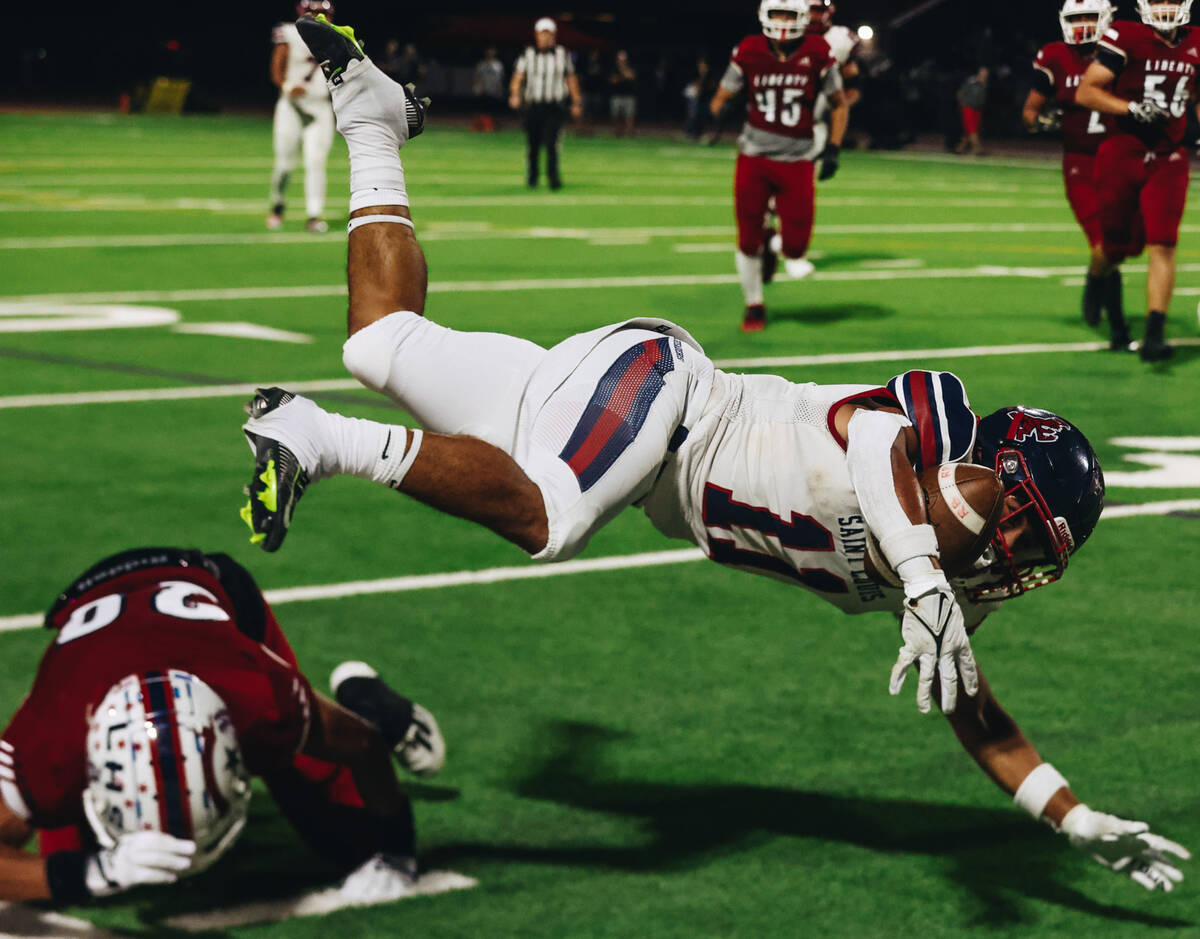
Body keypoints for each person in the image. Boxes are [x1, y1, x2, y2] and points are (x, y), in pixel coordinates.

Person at [238, 14, 1191, 894]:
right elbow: (869, 440)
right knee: (552, 517)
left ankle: (369, 122)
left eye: (1042, 553)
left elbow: (974, 712)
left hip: (616, 426)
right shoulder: (943, 434)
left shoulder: (962, 576)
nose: (1022, 560)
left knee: (378, 341)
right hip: (664, 396)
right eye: (1028, 529)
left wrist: (1072, 817)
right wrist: (922, 576)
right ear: (1003, 473)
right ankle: (320, 437)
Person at [0, 547, 446, 904]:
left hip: (209, 584)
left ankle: (374, 704)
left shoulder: (259, 699)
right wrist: (96, 873)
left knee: (339, 831)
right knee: (59, 870)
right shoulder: (48, 741)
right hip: (90, 604)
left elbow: (361, 744)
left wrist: (394, 851)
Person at [708, 0, 849, 332]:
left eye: (790, 14)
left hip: (797, 159)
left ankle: (775, 245)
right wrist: (717, 110)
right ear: (764, 15)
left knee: (797, 247)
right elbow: (720, 96)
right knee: (747, 237)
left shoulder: (817, 50)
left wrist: (834, 148)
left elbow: (839, 103)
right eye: (778, 13)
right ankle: (754, 304)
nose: (783, 21)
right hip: (754, 157)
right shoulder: (749, 49)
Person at [1075, 0, 1199, 361]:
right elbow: (1087, 91)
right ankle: (1097, 280)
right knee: (1113, 247)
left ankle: (1154, 335)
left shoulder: (1196, 42)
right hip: (1122, 152)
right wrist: (1130, 108)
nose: (1165, 9)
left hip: (1169, 156)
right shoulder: (1127, 35)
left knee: (1164, 243)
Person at [1024, 1, 1120, 335]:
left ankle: (1096, 282)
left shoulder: (1124, 53)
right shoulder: (1055, 55)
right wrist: (1042, 121)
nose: (1081, 24)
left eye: (1088, 17)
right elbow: (1031, 111)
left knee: (1117, 246)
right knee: (1103, 245)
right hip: (1080, 162)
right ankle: (1114, 321)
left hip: (1120, 160)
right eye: (1075, 18)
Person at [267, 0, 337, 233]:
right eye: (314, 12)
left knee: (315, 162)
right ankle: (277, 205)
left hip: (320, 107)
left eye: (323, 13)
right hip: (292, 107)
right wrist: (287, 86)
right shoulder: (289, 33)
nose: (319, 17)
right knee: (285, 165)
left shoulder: (337, 38)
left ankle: (314, 215)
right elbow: (277, 63)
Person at [509, 17, 584, 189]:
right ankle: (533, 177)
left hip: (554, 106)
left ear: (554, 35)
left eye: (549, 34)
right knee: (533, 144)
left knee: (552, 143)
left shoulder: (562, 54)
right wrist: (515, 94)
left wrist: (576, 102)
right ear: (537, 35)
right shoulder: (527, 54)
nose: (546, 37)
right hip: (534, 105)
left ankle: (553, 178)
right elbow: (518, 77)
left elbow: (571, 79)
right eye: (543, 34)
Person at [956, 66, 989, 156]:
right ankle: (977, 148)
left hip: (977, 109)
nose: (985, 75)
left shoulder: (984, 84)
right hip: (968, 107)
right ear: (979, 73)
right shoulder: (971, 81)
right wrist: (962, 104)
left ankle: (960, 148)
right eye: (983, 73)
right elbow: (960, 92)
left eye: (986, 73)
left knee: (969, 131)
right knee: (972, 129)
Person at [472, 46, 506, 128]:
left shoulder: (498, 65)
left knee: (494, 109)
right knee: (482, 108)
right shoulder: (482, 64)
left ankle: (494, 125)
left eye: (492, 52)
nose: (490, 53)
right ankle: (481, 125)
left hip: (494, 90)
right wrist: (479, 86)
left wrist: (500, 88)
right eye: (489, 52)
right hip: (484, 89)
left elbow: (501, 78)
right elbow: (477, 76)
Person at [608, 50, 638, 137]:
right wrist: (623, 76)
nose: (622, 62)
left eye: (624, 60)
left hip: (629, 95)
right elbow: (612, 80)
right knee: (615, 116)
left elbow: (632, 77)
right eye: (620, 59)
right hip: (616, 95)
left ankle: (629, 133)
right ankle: (617, 133)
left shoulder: (631, 66)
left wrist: (623, 73)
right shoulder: (613, 68)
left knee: (629, 116)